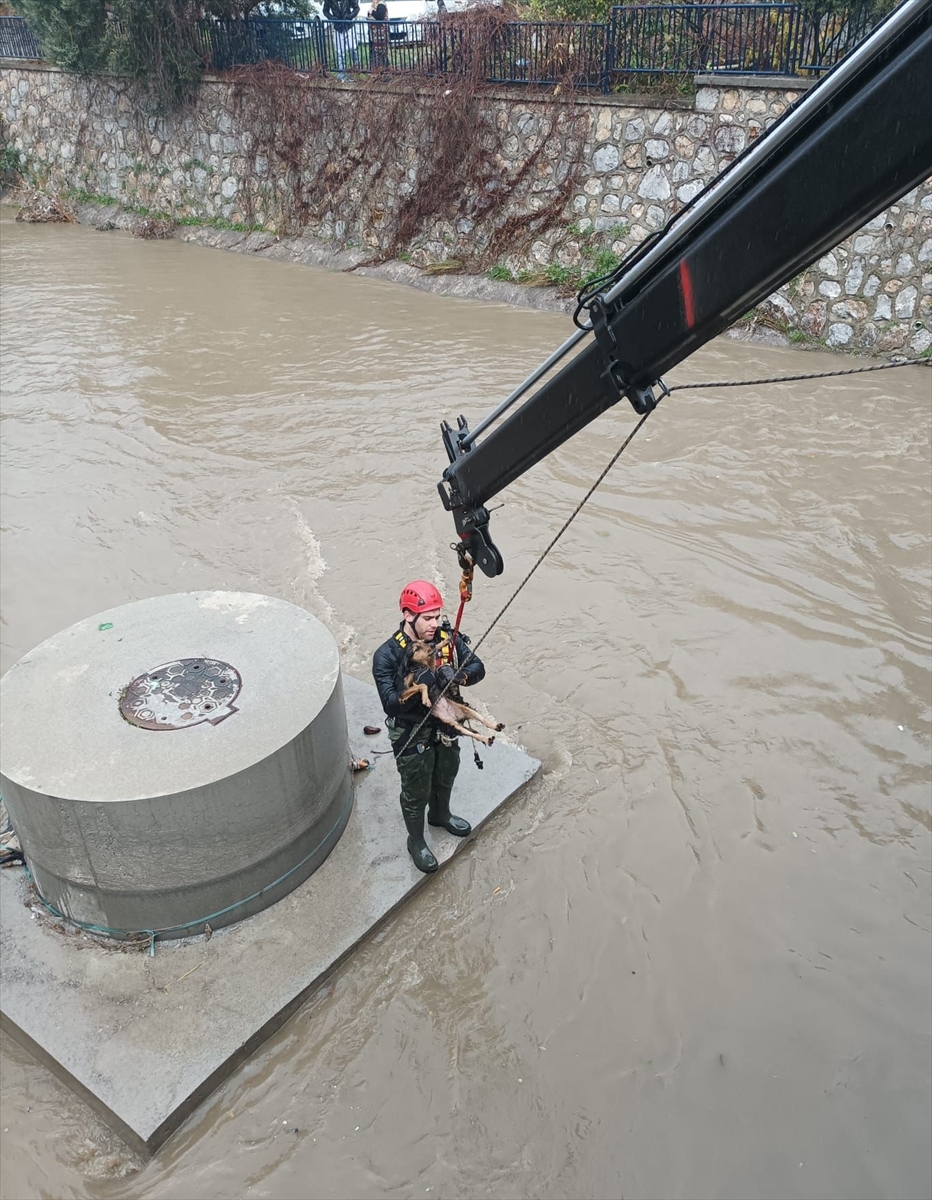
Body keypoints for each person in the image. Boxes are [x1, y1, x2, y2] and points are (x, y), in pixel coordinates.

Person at [372, 580, 486, 874]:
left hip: (445, 723)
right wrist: (419, 685)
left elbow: (478, 667)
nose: (435, 623)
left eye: (437, 616)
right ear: (408, 615)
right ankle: (417, 840)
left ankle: (440, 814)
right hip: (412, 730)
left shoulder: (447, 640)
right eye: (428, 618)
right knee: (415, 788)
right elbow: (390, 703)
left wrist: (457, 675)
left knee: (447, 769)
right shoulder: (388, 654)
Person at [323, 0, 360, 79]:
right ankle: (342, 72)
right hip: (338, 27)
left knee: (352, 48)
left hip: (348, 26)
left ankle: (357, 67)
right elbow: (325, 10)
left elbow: (356, 8)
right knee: (340, 52)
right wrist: (332, 18)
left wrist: (350, 16)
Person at [368, 0, 389, 70]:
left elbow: (380, 16)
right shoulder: (374, 5)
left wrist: (372, 12)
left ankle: (384, 70)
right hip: (375, 34)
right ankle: (377, 69)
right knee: (376, 53)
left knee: (381, 53)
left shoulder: (381, 5)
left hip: (381, 34)